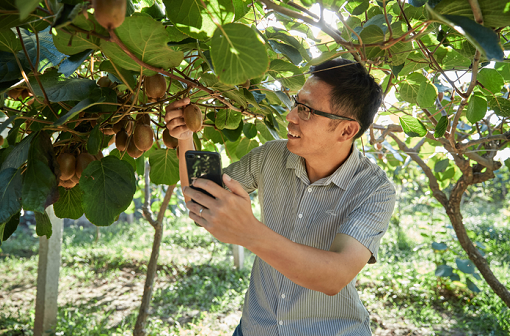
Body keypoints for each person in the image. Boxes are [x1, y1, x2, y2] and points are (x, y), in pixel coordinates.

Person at [165, 58, 396, 336]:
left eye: (307, 110)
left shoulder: (374, 189)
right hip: (254, 328)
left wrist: (249, 233)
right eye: (296, 103)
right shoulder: (270, 156)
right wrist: (185, 137)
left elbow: (335, 275)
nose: (290, 116)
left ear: (346, 130)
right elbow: (201, 200)